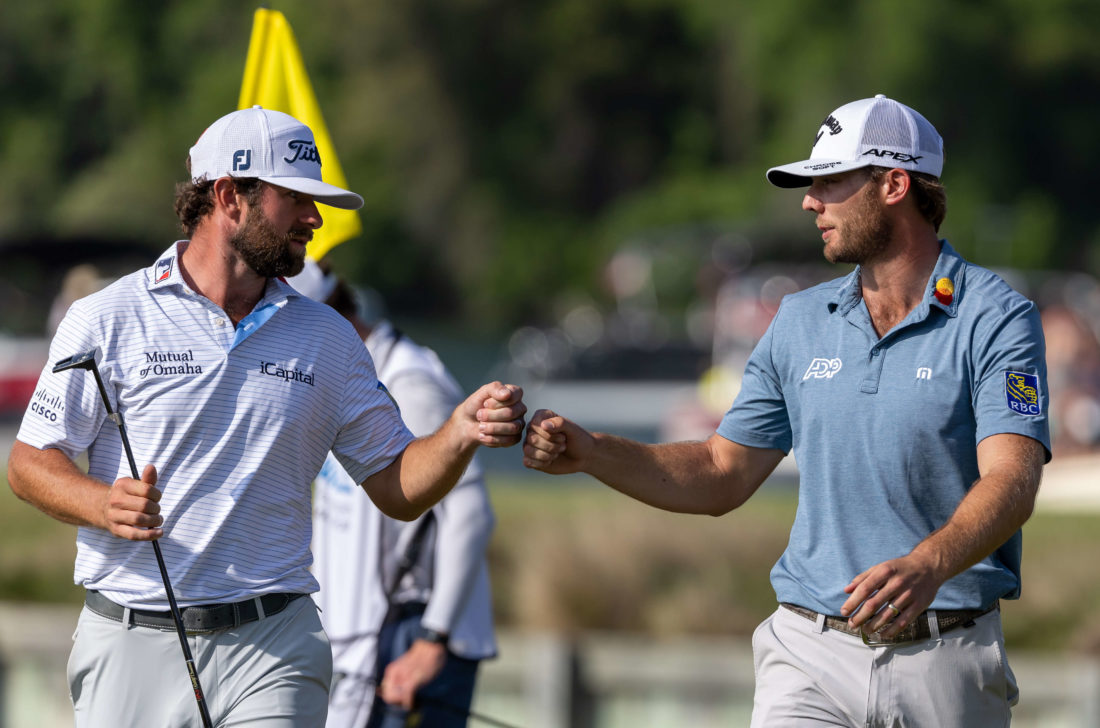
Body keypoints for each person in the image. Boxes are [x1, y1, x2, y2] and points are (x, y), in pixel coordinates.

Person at [523, 95, 1050, 727]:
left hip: (945, 656)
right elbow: (722, 471)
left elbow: (1012, 480)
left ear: (893, 185)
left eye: (828, 182)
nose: (809, 201)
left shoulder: (996, 318)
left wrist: (928, 563)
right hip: (809, 653)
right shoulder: (800, 321)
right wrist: (594, 452)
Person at [6, 106, 526, 728]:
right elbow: (30, 461)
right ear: (229, 197)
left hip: (274, 643)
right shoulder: (105, 317)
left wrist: (460, 433)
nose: (315, 219)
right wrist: (101, 505)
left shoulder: (329, 338)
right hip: (131, 638)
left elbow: (398, 485)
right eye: (295, 198)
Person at [289, 260, 497, 727]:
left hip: (413, 638)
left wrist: (431, 640)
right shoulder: (337, 381)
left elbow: (471, 515)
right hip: (373, 640)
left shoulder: (409, 382)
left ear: (325, 316)